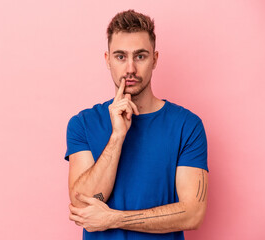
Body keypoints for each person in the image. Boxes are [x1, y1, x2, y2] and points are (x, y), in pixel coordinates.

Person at [64, 9, 208, 240]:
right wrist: (117, 137)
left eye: (140, 56)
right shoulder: (82, 124)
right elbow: (84, 203)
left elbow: (193, 213)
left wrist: (114, 218)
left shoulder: (187, 126)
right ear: (107, 60)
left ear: (155, 59)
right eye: (120, 56)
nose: (130, 68)